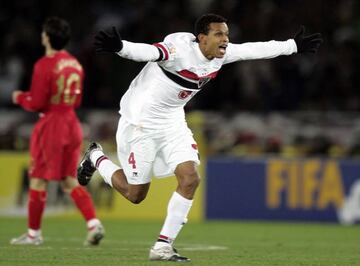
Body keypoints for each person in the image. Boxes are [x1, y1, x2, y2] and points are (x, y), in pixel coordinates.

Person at [77, 14, 322, 261]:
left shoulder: (222, 54)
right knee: (135, 194)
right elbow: (148, 52)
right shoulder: (178, 51)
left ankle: (162, 246)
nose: (225, 40)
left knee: (190, 178)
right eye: (219, 34)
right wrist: (120, 48)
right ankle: (96, 157)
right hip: (141, 122)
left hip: (172, 121)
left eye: (226, 34)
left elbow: (253, 49)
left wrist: (293, 46)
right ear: (202, 39)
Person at [10, 17, 104, 246]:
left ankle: (33, 235)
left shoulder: (45, 64)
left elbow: (37, 103)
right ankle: (93, 224)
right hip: (72, 123)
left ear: (47, 37)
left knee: (38, 180)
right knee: (68, 179)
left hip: (52, 125)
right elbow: (78, 98)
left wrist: (20, 97)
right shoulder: (75, 64)